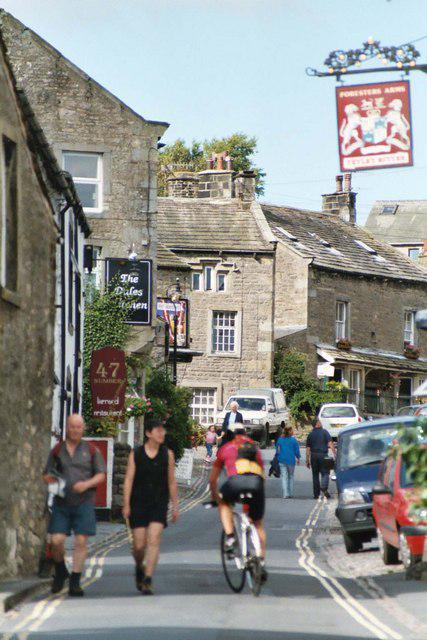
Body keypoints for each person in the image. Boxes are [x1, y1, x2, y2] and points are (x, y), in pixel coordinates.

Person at [43, 414, 106, 596]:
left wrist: (86, 484)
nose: (75, 430)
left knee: (80, 541)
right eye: (72, 426)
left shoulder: (92, 450)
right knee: (56, 541)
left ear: (83, 429)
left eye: (78, 427)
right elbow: (46, 473)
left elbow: (101, 474)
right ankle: (61, 570)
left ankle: (75, 582)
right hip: (62, 502)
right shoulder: (57, 450)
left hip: (84, 502)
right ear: (67, 427)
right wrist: (52, 481)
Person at [122, 416, 179, 595]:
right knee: (139, 546)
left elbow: (171, 481)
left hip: (158, 503)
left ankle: (147, 579)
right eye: (158, 430)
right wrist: (126, 504)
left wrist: (175, 505)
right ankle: (140, 565)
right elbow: (129, 479)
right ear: (148, 433)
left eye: (163, 430)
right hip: (138, 502)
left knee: (154, 540)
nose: (162, 433)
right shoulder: (136, 454)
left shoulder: (167, 454)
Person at [208, 422, 267, 582]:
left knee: (225, 504)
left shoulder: (225, 449)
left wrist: (216, 498)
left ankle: (230, 537)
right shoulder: (254, 448)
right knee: (258, 524)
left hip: (235, 483)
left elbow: (213, 479)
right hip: (256, 484)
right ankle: (261, 561)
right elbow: (262, 474)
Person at [306, 419, 336, 499]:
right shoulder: (324, 432)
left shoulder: (310, 434)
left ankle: (316, 494)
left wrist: (307, 460)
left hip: (314, 456)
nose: (321, 423)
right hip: (323, 455)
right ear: (317, 423)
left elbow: (308, 448)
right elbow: (330, 443)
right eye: (320, 422)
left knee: (315, 475)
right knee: (325, 473)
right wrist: (335, 454)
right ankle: (324, 487)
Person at [276, 426, 301, 498]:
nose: (293, 431)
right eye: (292, 430)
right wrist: (298, 458)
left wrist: (278, 456)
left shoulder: (280, 440)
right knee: (291, 476)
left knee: (284, 477)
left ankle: (285, 494)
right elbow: (296, 450)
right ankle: (291, 493)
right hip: (291, 460)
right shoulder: (293, 440)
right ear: (290, 431)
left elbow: (277, 450)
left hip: (282, 460)